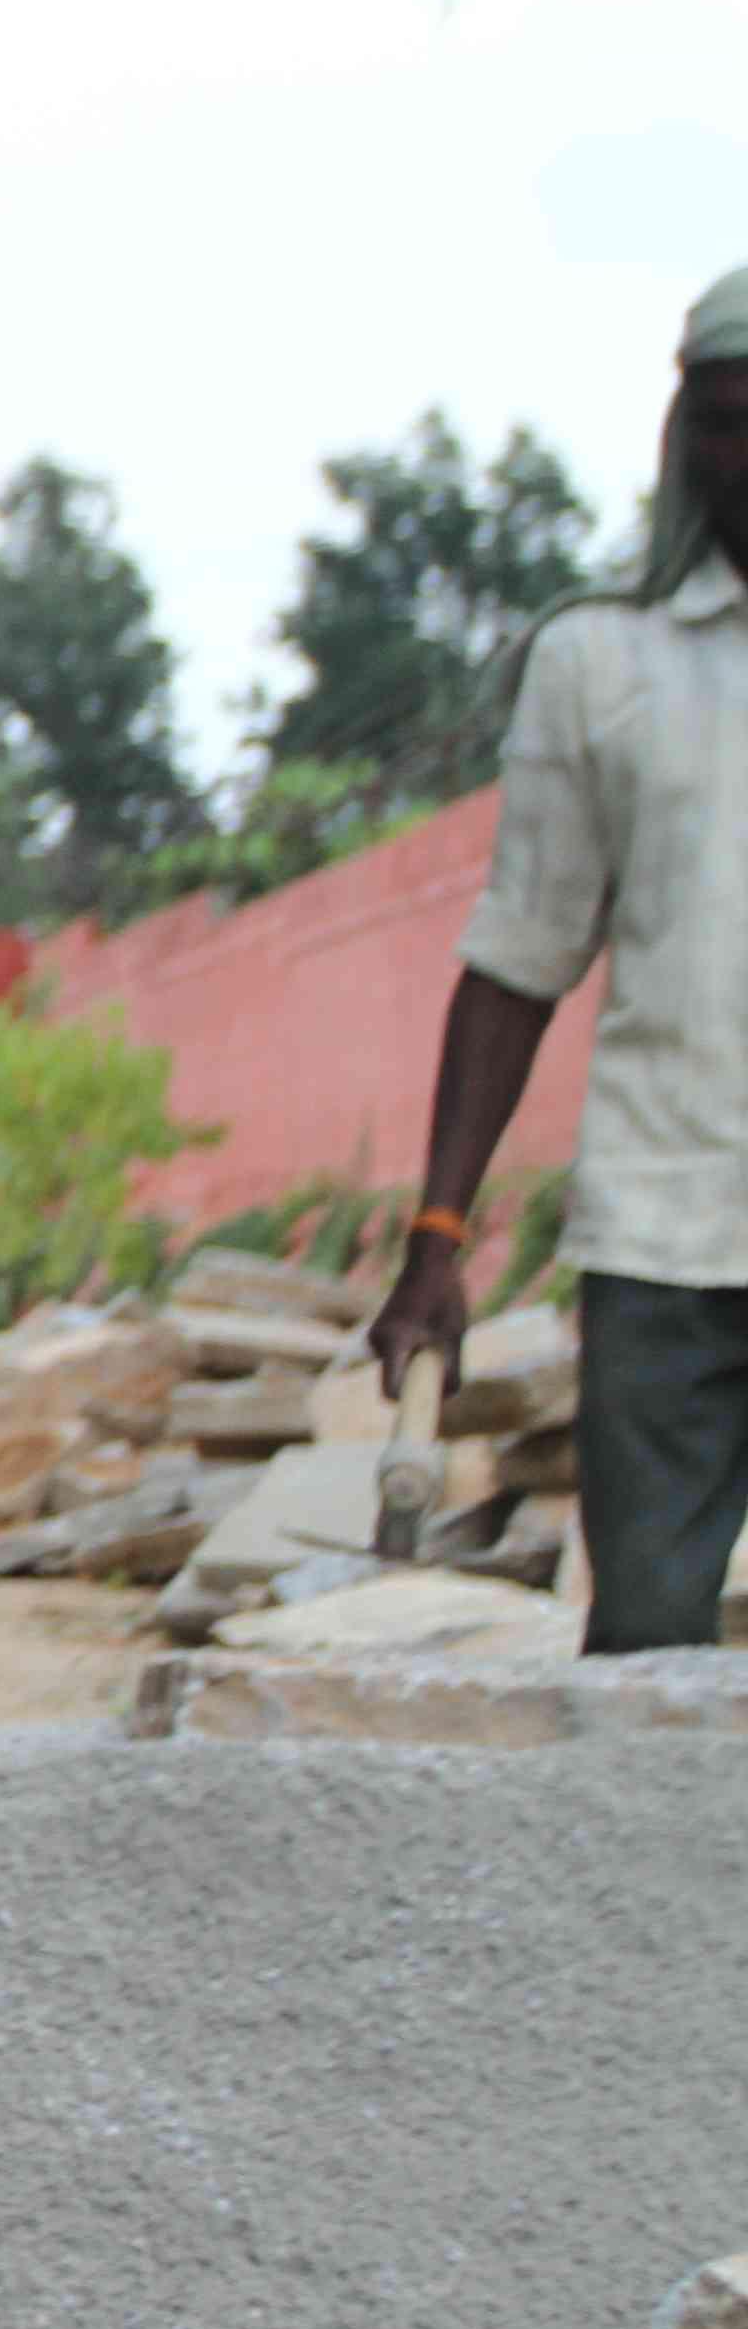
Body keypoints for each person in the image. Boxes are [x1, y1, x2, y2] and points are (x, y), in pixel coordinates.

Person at [376, 266, 748, 1656]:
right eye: (723, 423)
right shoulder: (600, 662)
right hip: (667, 1241)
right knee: (646, 1652)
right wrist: (437, 1242)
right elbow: (519, 958)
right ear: (683, 441)